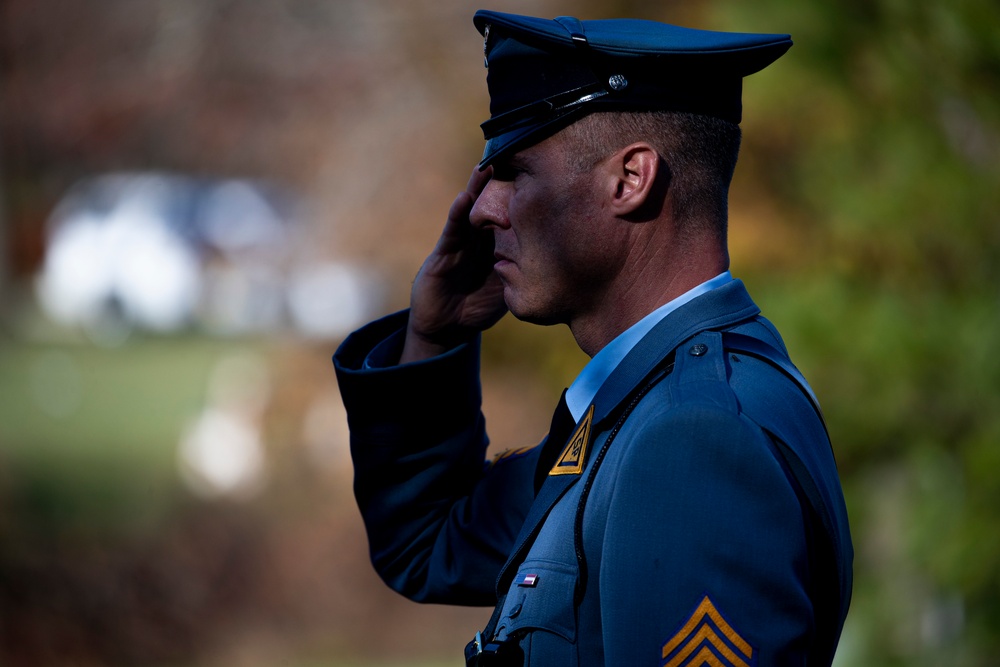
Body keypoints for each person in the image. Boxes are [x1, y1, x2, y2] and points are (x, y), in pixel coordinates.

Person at [334, 9, 853, 666]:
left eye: (515, 171)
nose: (481, 209)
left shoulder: (693, 438)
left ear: (630, 179)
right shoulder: (642, 412)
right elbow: (428, 543)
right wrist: (433, 338)